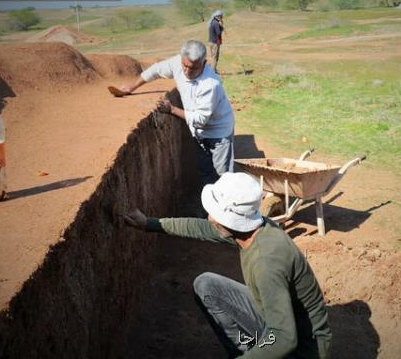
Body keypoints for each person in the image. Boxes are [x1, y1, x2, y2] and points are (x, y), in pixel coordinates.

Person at [123, 172, 332, 358]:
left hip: (304, 350)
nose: (209, 217)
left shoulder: (266, 263)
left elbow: (284, 338)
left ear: (231, 221)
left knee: (273, 343)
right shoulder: (256, 229)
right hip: (281, 323)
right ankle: (247, 348)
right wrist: (150, 224)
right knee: (207, 286)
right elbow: (201, 228)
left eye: (214, 214)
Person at [119, 39, 234, 186]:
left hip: (219, 133)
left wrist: (172, 109)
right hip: (200, 133)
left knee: (223, 177)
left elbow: (199, 119)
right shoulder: (178, 63)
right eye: (184, 65)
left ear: (204, 64)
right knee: (205, 172)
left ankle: (228, 206)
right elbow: (155, 70)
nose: (187, 71)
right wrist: (131, 87)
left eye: (193, 68)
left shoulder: (210, 84)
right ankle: (210, 205)